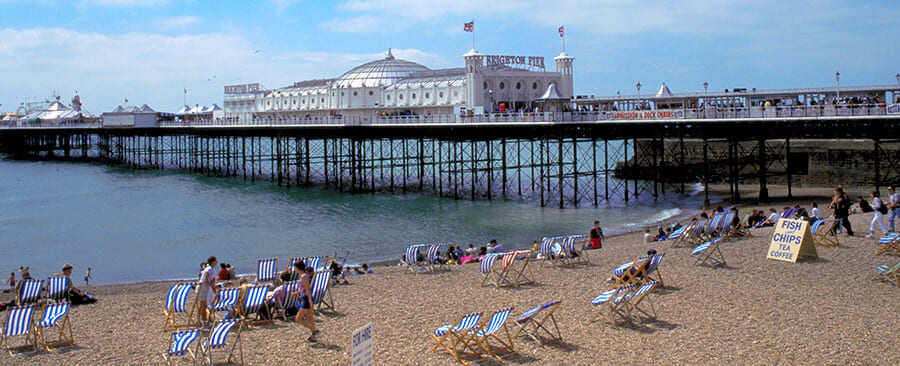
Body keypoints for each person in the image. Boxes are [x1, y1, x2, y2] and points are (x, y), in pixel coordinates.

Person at [290, 261, 320, 342]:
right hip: (305, 298)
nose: (294, 269)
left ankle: (315, 330)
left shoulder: (303, 276)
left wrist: (310, 301)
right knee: (310, 318)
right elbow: (303, 289)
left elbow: (308, 289)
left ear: (298, 267)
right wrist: (295, 293)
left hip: (307, 299)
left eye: (294, 267)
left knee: (298, 318)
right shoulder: (302, 276)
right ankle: (313, 337)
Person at [198, 256, 218, 327]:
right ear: (213, 262)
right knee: (204, 305)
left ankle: (201, 320)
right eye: (216, 261)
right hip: (203, 287)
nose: (217, 262)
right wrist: (212, 286)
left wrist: (213, 287)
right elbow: (205, 280)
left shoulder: (211, 269)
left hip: (206, 287)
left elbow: (210, 281)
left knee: (204, 305)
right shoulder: (209, 269)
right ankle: (204, 321)